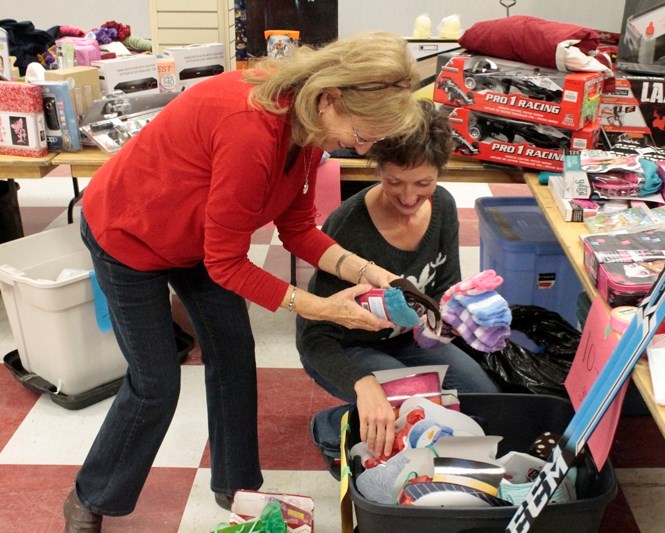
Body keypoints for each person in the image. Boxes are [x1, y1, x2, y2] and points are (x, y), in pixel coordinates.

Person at [64, 31, 424, 532]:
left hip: (202, 240)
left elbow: (297, 228)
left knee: (233, 354)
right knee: (155, 384)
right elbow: (227, 264)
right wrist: (322, 307)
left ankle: (236, 486)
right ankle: (91, 496)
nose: (359, 147)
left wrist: (367, 271)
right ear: (330, 98)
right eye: (361, 133)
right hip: (131, 235)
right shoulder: (252, 128)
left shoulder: (309, 126)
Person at [296, 99, 501, 471]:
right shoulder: (349, 225)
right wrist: (361, 383)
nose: (409, 198)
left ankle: (373, 410)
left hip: (410, 341)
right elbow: (315, 339)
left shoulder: (443, 207)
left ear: (441, 171)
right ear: (376, 168)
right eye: (394, 183)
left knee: (485, 402)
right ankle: (332, 425)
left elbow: (444, 294)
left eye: (423, 183)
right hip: (348, 347)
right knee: (407, 411)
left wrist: (469, 313)